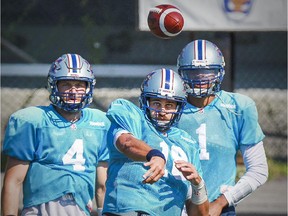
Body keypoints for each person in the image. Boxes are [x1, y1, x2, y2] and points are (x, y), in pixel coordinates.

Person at [1, 53, 110, 216]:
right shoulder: (33, 120)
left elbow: (102, 184)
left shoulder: (101, 122)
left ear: (89, 87)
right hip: (42, 210)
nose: (74, 91)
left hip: (81, 209)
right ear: (54, 85)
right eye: (66, 84)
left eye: (80, 84)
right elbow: (13, 180)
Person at [176, 39, 269, 216]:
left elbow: (258, 170)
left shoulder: (239, 108)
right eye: (193, 72)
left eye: (207, 72)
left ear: (220, 72)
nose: (201, 78)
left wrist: (221, 202)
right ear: (182, 73)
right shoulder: (170, 107)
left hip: (218, 209)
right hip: (173, 208)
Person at [103, 68, 209, 216]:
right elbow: (126, 142)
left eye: (169, 105)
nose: (162, 111)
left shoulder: (187, 143)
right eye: (157, 103)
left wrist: (198, 185)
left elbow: (200, 215)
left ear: (179, 107)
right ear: (146, 101)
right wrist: (154, 154)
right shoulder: (131, 115)